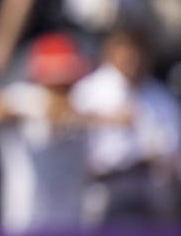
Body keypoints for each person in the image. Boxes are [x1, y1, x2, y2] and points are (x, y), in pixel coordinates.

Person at [0, 32, 92, 235]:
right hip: (26, 219)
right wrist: (37, 113)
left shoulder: (86, 99)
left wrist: (75, 116)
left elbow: (124, 116)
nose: (63, 84)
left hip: (72, 220)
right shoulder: (25, 96)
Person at [72, 30, 181, 225]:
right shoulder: (89, 91)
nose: (134, 62)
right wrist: (105, 120)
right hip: (103, 184)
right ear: (111, 54)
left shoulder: (161, 96)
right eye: (127, 56)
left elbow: (172, 146)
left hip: (150, 186)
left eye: (139, 56)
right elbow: (66, 123)